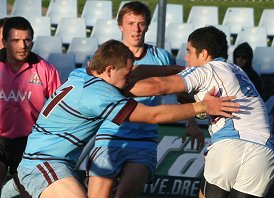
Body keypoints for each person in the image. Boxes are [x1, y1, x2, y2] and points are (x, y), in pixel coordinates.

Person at [17, 39, 239, 198]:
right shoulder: (99, 95)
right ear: (110, 69)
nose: (128, 81)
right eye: (125, 75)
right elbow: (153, 115)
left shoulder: (84, 74)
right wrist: (203, 107)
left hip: (53, 162)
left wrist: (183, 70)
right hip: (42, 163)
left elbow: (138, 72)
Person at [128, 26, 274, 198]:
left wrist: (117, 90)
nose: (185, 57)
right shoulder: (238, 71)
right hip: (265, 152)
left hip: (230, 145)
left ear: (204, 54)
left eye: (189, 51)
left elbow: (159, 86)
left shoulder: (205, 70)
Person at [85, 2, 179, 198]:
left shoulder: (162, 57)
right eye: (131, 23)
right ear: (120, 26)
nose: (136, 29)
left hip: (143, 140)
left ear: (147, 26)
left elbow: (182, 88)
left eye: (141, 23)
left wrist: (194, 123)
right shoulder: (106, 56)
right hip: (108, 136)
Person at [0, 16, 61, 197]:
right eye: (16, 40)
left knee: (31, 194)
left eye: (27, 40)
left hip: (31, 143)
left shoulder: (46, 69)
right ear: (4, 42)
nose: (23, 45)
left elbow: (58, 109)